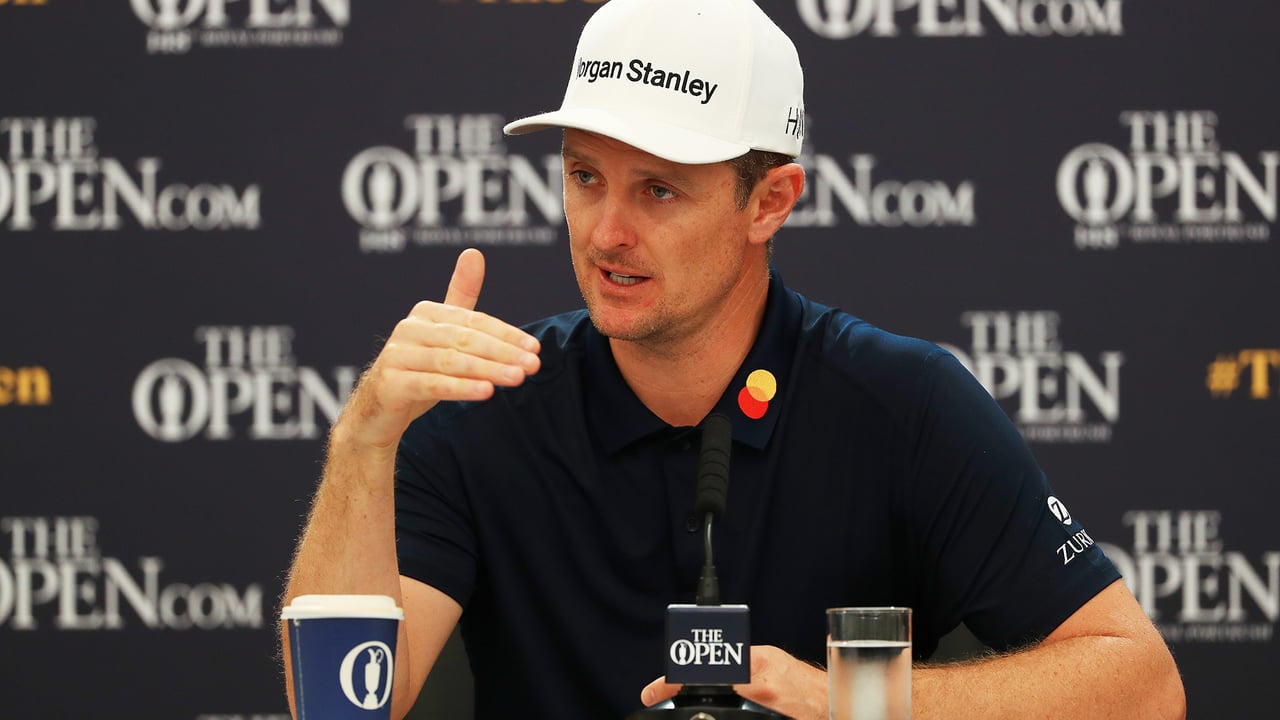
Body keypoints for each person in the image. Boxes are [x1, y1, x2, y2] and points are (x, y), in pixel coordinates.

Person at [282, 0, 1185, 718]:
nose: (606, 232)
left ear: (770, 201)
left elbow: (1142, 688)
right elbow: (338, 713)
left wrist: (851, 703)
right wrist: (365, 439)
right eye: (584, 176)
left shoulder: (903, 404)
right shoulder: (486, 406)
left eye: (660, 189)